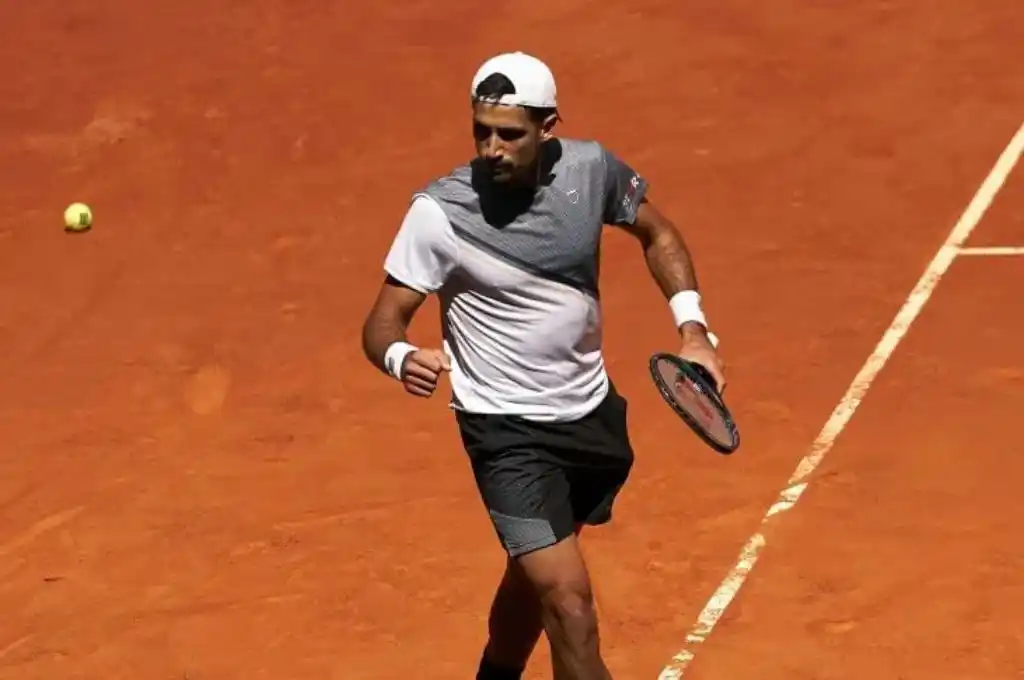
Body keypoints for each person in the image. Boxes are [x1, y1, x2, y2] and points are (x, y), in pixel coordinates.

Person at [361, 51, 726, 680]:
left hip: (589, 421)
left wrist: (694, 331)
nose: (492, 148)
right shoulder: (439, 213)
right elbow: (380, 323)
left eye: (510, 134)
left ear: (549, 128)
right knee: (569, 603)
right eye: (482, 131)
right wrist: (399, 356)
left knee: (531, 583)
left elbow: (659, 235)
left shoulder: (591, 171)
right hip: (505, 434)